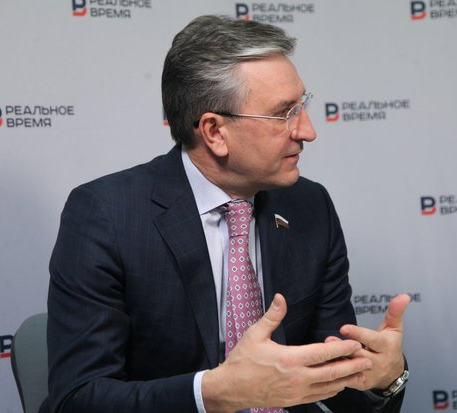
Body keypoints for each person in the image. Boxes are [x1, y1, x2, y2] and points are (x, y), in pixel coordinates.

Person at [43, 15, 410, 413]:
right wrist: (215, 393)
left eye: (302, 106)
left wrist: (385, 377)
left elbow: (339, 382)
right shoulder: (108, 216)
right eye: (284, 113)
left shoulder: (309, 206)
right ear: (215, 131)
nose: (307, 131)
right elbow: (78, 399)